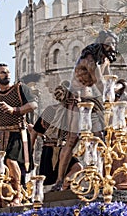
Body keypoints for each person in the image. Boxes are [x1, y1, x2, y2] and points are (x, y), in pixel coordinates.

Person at [45, 29, 119, 191]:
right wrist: (113, 93)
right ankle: (59, 180)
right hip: (78, 101)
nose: (111, 46)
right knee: (72, 139)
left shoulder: (104, 60)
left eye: (113, 43)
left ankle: (100, 176)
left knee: (100, 138)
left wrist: (120, 88)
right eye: (108, 43)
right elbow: (100, 83)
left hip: (95, 103)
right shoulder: (90, 59)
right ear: (101, 43)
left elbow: (108, 83)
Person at [0, 63, 38, 206]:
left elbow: (33, 104)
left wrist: (14, 110)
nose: (7, 74)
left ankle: (18, 196)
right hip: (0, 137)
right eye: (3, 73)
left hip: (17, 133)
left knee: (11, 161)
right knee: (2, 169)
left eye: (7, 72)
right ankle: (2, 194)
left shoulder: (19, 88)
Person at [32, 82, 83, 191]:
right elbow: (36, 131)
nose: (78, 101)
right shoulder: (51, 110)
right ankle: (59, 187)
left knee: (77, 167)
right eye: (75, 98)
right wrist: (29, 154)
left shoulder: (75, 113)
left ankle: (63, 186)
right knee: (52, 179)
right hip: (50, 150)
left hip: (63, 149)